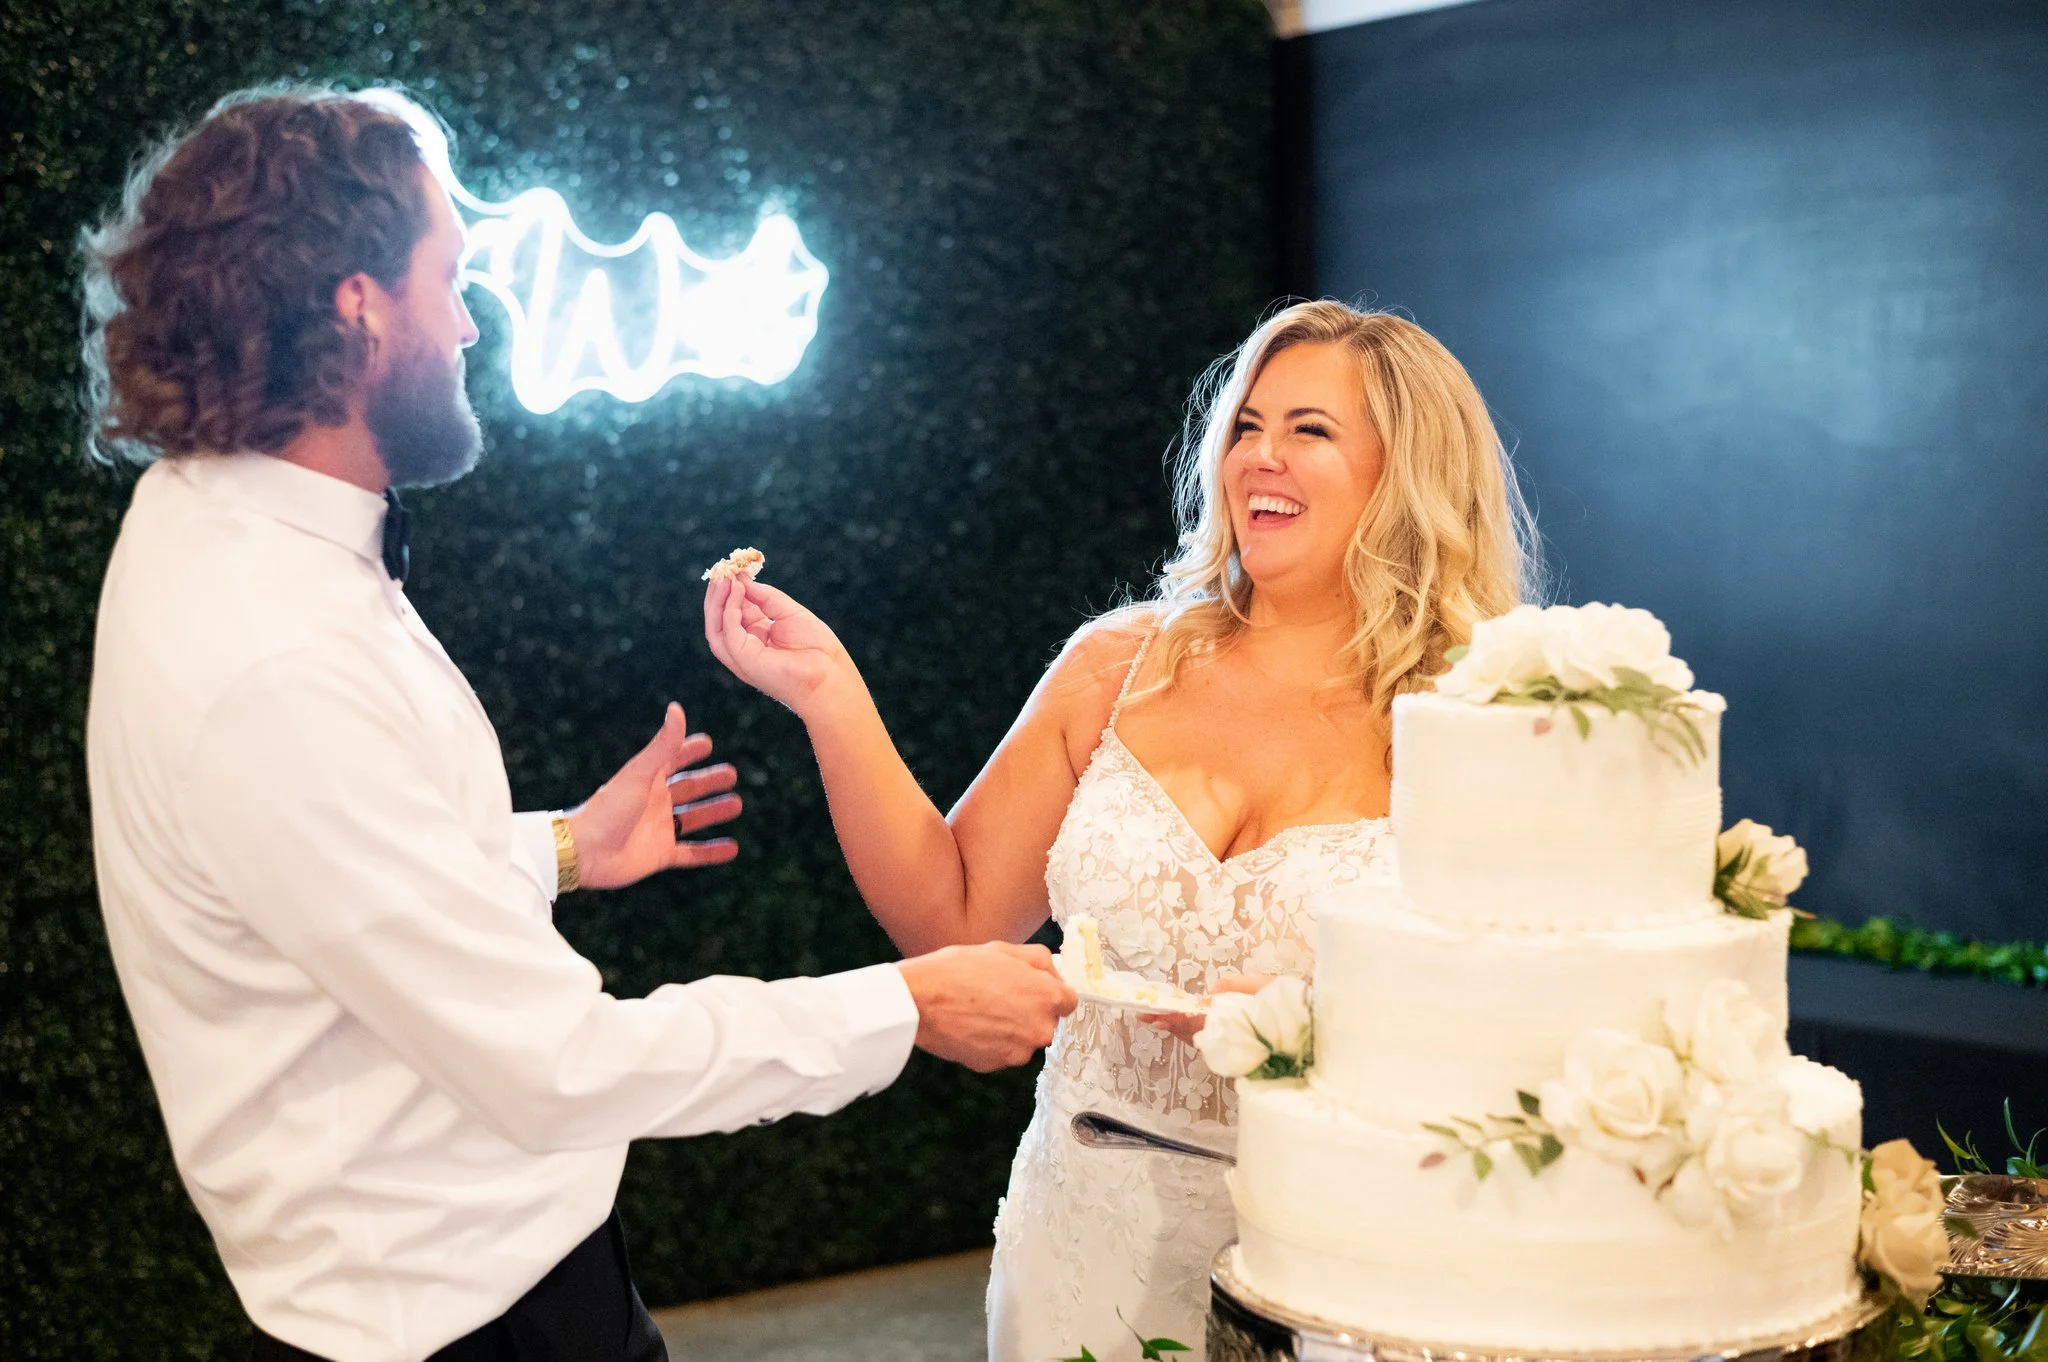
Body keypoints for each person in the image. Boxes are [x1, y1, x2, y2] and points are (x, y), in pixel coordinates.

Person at [80, 84, 1075, 1362]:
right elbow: (556, 1064)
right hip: (460, 1328)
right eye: (452, 275)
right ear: (359, 302)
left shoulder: (209, 518)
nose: (473, 319)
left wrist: (552, 851)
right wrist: (905, 1008)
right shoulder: (271, 654)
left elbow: (323, 879)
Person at [703, 300, 1539, 1360]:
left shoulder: (1477, 721)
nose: (1259, 458)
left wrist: (1319, 1030)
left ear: (1405, 470)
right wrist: (829, 695)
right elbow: (951, 914)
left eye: (1309, 430)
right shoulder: (1116, 665)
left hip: (1339, 1261)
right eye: (1245, 425)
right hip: (1082, 1238)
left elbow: (1523, 1023)